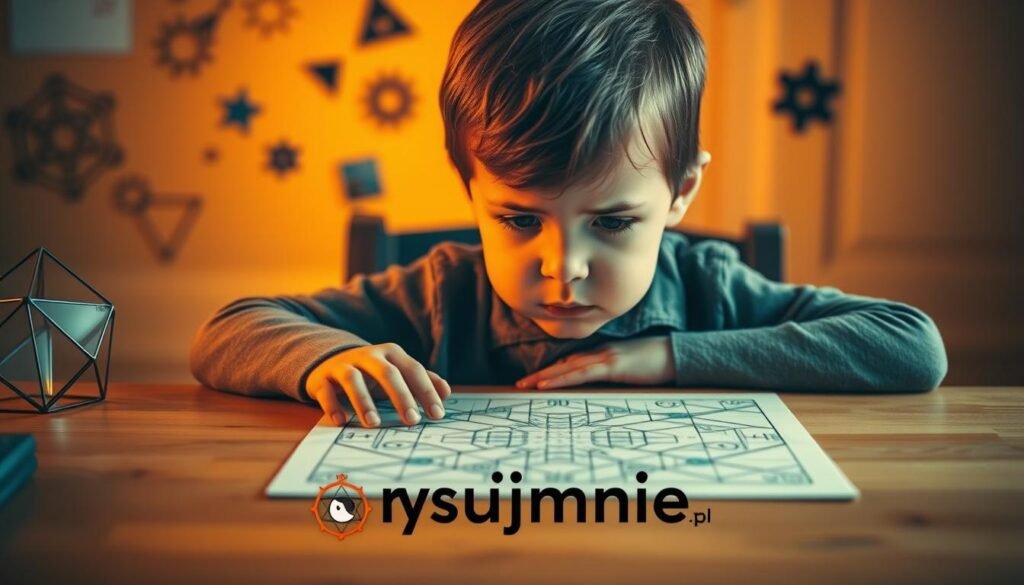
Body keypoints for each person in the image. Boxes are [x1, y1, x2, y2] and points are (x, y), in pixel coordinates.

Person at [189, 0, 948, 429]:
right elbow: (226, 328)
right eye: (519, 220)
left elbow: (913, 345)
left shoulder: (711, 292)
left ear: (682, 191)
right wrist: (323, 357)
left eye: (613, 223)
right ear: (469, 186)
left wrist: (666, 359)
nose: (564, 267)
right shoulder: (440, 294)